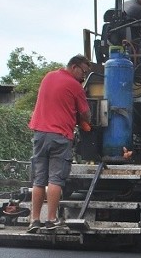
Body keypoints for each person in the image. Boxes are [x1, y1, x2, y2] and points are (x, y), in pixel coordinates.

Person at [27, 55, 93, 234]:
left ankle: (34, 221)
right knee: (55, 179)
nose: (83, 77)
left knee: (39, 180)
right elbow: (86, 114)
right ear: (74, 67)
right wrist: (84, 120)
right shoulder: (75, 86)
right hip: (59, 137)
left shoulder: (48, 76)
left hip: (39, 134)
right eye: (83, 72)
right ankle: (51, 220)